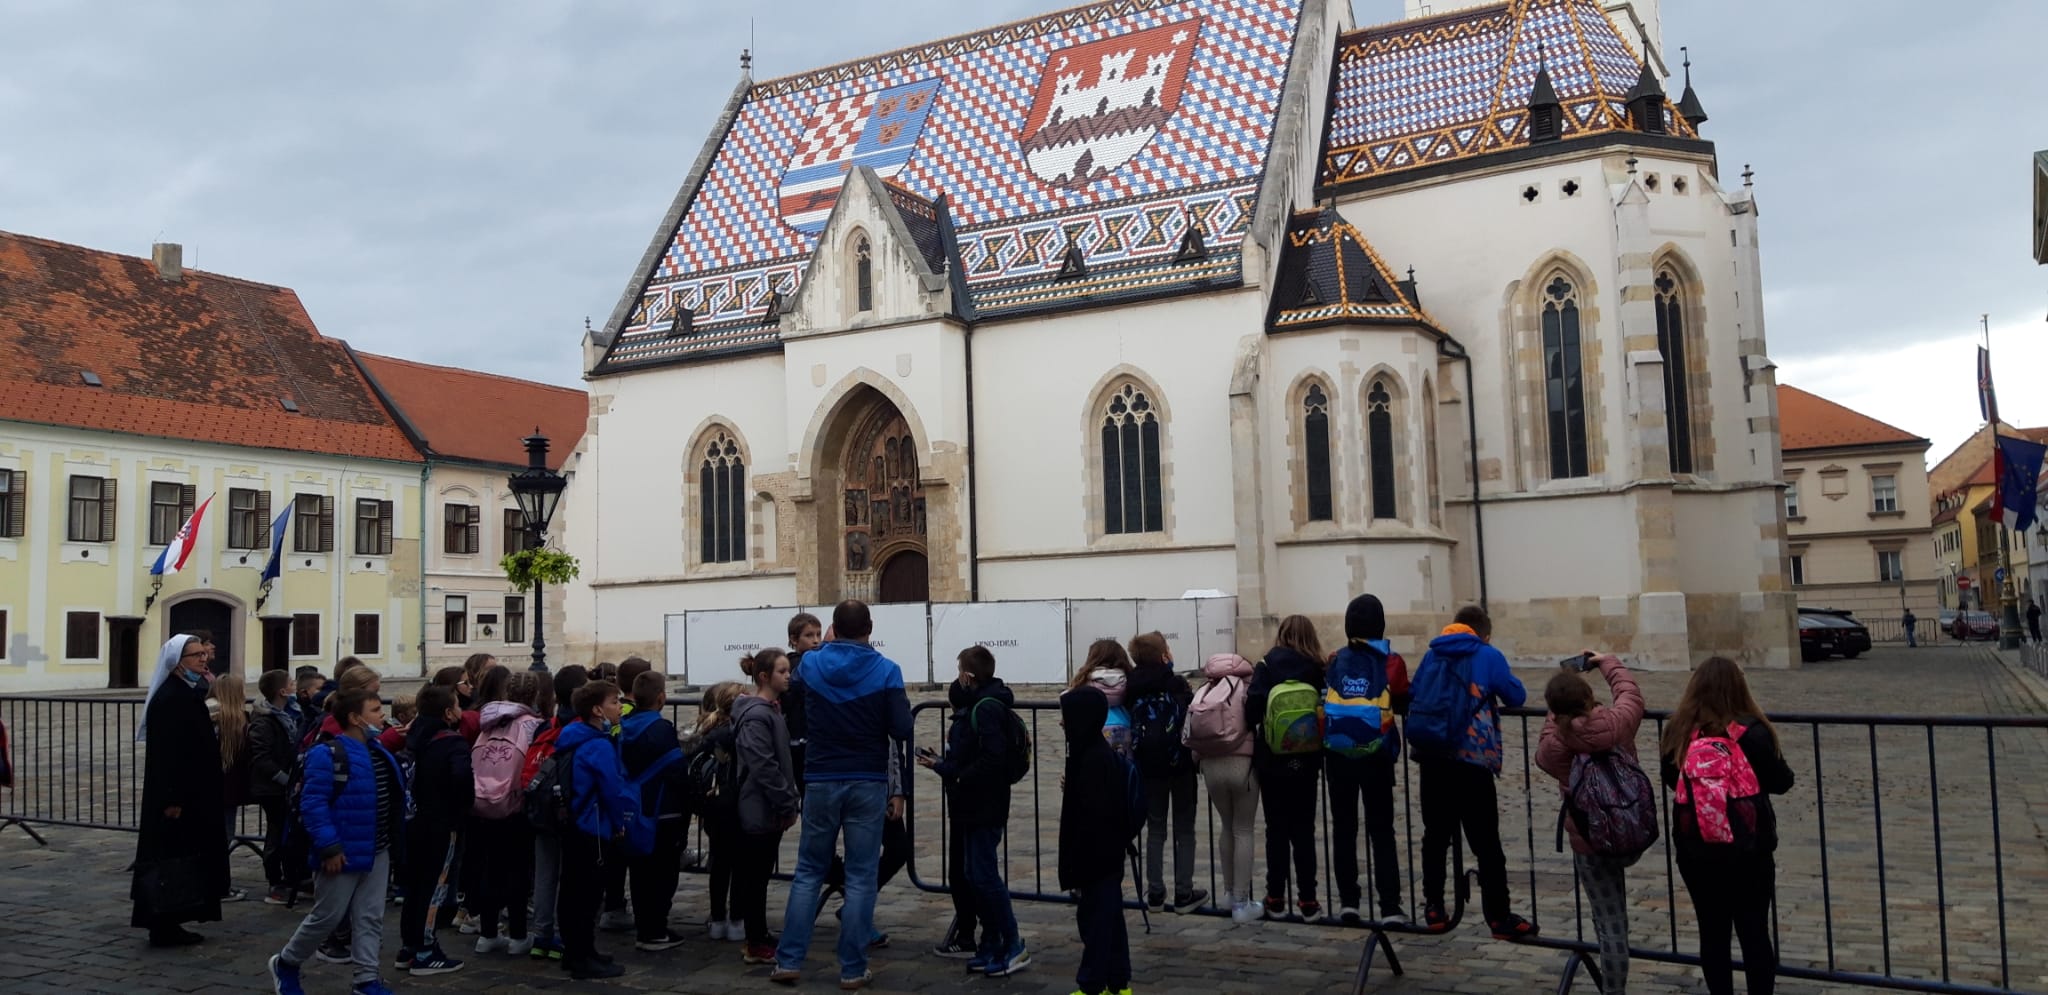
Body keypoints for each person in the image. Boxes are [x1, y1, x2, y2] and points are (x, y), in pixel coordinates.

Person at [771, 600, 913, 990]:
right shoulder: (887, 670)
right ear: (870, 628)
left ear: (834, 626)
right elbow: (902, 728)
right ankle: (852, 968)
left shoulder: (811, 664)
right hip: (866, 777)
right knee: (862, 876)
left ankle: (788, 960)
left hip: (820, 775)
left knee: (808, 872)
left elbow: (795, 699)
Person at [1661, 657, 1795, 995]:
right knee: (1754, 933)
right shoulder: (1752, 731)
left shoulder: (1678, 729)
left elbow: (1671, 779)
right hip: (1749, 848)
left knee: (1712, 934)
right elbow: (1782, 781)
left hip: (1696, 850)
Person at [267, 689, 407, 995]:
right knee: (327, 916)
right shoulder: (326, 754)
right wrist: (329, 846)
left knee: (370, 917)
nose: (382, 716)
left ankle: (366, 978)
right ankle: (287, 962)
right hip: (341, 851)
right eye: (375, 710)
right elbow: (313, 803)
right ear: (356, 718)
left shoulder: (378, 750)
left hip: (377, 849)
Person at [1412, 606, 1534, 939]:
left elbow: (1414, 692)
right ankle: (1499, 917)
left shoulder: (1432, 653)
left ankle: (1434, 907)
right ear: (1485, 634)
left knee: (1435, 837)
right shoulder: (1487, 654)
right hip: (1472, 759)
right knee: (1486, 843)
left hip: (1433, 756)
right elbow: (1515, 695)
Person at [1536, 652, 1645, 995]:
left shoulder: (1556, 744)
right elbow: (1629, 692)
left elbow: (1543, 752)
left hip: (1588, 839)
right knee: (1615, 923)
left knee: (1610, 924)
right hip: (1629, 829)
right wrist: (1607, 661)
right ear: (1588, 698)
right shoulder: (1617, 723)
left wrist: (1557, 705)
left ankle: (1613, 991)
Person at [919, 645, 1028, 975]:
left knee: (984, 875)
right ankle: (990, 942)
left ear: (967, 676)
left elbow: (992, 759)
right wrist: (943, 763)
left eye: (959, 672)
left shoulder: (987, 708)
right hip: (972, 802)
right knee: (973, 874)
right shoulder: (980, 704)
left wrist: (954, 772)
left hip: (984, 803)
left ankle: (1012, 942)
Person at [131, 634, 226, 947]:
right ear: (176, 663)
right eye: (195, 655)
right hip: (178, 797)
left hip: (191, 793)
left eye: (203, 654)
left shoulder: (185, 693)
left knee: (184, 856)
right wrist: (172, 798)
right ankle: (164, 922)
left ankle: (173, 918)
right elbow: (168, 754)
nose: (203, 659)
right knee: (171, 860)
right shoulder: (172, 697)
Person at [1323, 594, 1410, 925]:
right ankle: (1389, 905)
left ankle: (1349, 901)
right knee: (1381, 830)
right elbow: (1402, 695)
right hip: (1376, 754)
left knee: (1344, 828)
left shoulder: (1336, 659)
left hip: (1339, 753)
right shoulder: (1391, 662)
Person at [1245, 615, 1326, 921]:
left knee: (1276, 829)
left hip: (1272, 760)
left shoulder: (1267, 665)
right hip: (1307, 760)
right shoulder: (1316, 667)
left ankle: (1275, 897)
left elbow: (1252, 709)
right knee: (1304, 831)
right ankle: (1308, 900)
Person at [465, 670, 548, 957]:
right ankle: (519, 935)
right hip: (516, 805)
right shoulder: (533, 726)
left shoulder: (489, 721)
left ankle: (488, 933)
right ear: (535, 695)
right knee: (518, 870)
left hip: (483, 800)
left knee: (490, 868)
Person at [1058, 685, 1134, 995]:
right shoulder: (1090, 753)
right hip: (1104, 855)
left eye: (1066, 717)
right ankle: (1118, 982)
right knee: (1110, 918)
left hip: (1096, 856)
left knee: (1096, 920)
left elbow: (1093, 813)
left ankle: (1092, 984)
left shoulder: (1092, 758)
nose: (1062, 723)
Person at [555, 679, 631, 980]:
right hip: (593, 824)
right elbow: (611, 789)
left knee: (572, 890)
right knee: (587, 895)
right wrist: (619, 823)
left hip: (573, 821)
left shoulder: (571, 736)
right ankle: (583, 956)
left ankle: (576, 951)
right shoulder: (598, 745)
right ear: (598, 710)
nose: (620, 707)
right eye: (614, 702)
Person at [396, 684, 472, 975]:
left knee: (415, 886)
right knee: (434, 887)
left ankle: (409, 945)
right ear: (448, 713)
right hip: (442, 822)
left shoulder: (414, 737)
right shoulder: (452, 742)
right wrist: (462, 807)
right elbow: (461, 778)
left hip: (414, 820)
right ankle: (425, 950)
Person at [1126, 632, 1203, 913]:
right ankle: (1184, 892)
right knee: (1185, 829)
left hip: (1149, 767)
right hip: (1180, 764)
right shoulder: (1175, 683)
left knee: (1155, 829)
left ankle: (1155, 893)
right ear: (1163, 655)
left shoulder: (1132, 687)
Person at [733, 649, 801, 965]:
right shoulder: (757, 715)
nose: (788, 677)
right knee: (754, 876)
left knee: (759, 874)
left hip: (768, 805)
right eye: (782, 672)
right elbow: (763, 765)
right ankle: (755, 939)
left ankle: (759, 933)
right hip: (758, 804)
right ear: (764, 676)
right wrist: (786, 800)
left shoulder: (772, 711)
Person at [621, 669, 690, 952]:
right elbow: (677, 771)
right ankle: (655, 929)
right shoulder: (661, 729)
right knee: (664, 873)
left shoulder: (624, 726)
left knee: (640, 872)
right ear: (661, 698)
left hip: (634, 808)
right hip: (663, 808)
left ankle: (644, 926)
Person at [1191, 652, 1261, 923]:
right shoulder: (1246, 687)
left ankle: (1230, 893)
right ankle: (1242, 903)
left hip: (1211, 765)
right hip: (1242, 763)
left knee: (1227, 827)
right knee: (1243, 829)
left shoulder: (1205, 689)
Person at [528, 664, 590, 963]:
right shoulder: (582, 728)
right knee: (573, 875)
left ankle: (542, 934)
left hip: (542, 807)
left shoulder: (546, 726)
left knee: (545, 872)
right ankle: (568, 933)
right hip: (572, 808)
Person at [250, 670, 302, 905]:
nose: (294, 685)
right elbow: (261, 758)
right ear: (282, 691)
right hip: (272, 788)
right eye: (291, 683)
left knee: (287, 832)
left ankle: (292, 876)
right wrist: (285, 779)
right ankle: (275, 880)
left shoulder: (290, 715)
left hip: (287, 784)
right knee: (276, 832)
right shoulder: (264, 721)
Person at [210, 672, 253, 902]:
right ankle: (217, 886)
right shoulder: (237, 720)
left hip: (209, 787)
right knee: (223, 835)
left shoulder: (207, 714)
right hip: (228, 788)